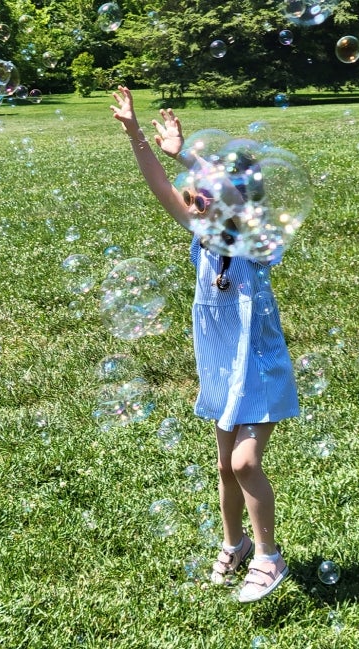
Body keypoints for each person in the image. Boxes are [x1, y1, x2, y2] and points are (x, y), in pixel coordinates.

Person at [110, 86, 300, 603]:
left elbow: (232, 199)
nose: (190, 192)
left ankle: (268, 556)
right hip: (220, 366)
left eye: (201, 187)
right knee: (222, 466)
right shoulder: (200, 235)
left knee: (244, 464)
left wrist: (189, 153)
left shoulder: (256, 242)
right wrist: (135, 133)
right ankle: (234, 544)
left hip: (257, 365)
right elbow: (157, 187)